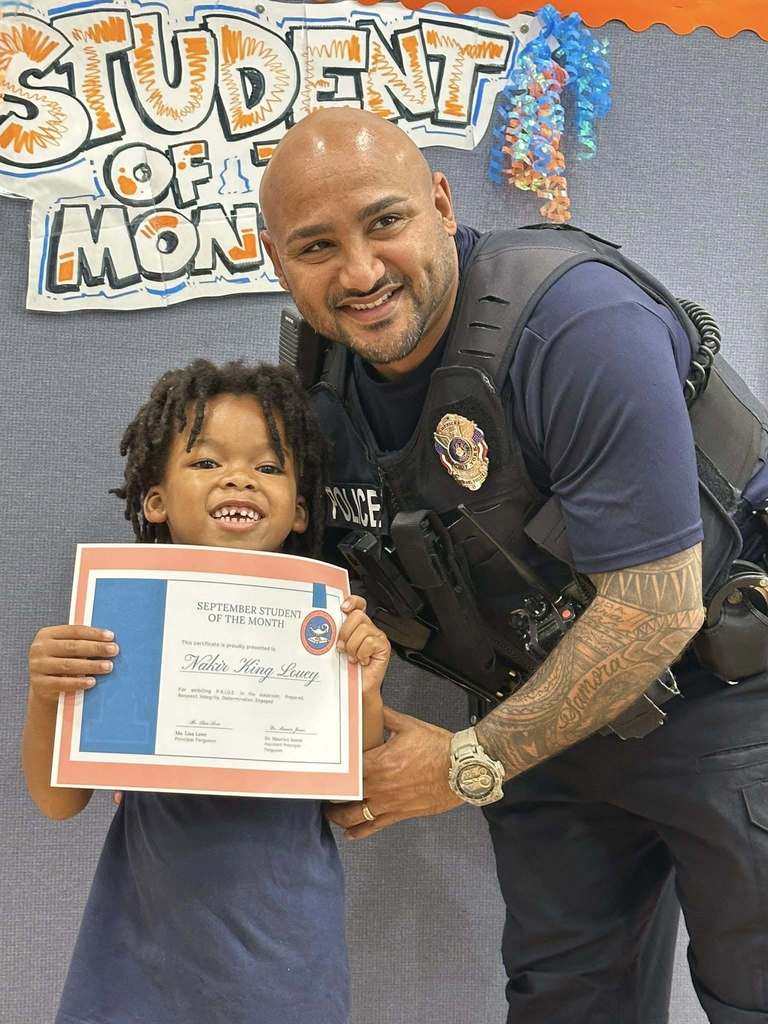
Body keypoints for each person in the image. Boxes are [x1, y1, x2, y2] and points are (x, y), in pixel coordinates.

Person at [258, 107, 768, 1023]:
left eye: (385, 222)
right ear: (274, 257)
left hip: (727, 699)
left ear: (442, 204)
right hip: (544, 719)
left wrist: (461, 766)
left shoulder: (576, 321)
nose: (361, 272)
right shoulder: (317, 377)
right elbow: (314, 587)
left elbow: (655, 611)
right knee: (565, 1004)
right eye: (316, 246)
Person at [22, 359, 390, 1024]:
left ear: (301, 508)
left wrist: (362, 689)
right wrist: (49, 693)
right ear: (155, 497)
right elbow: (57, 803)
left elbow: (351, 804)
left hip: (285, 963)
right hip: (140, 956)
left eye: (270, 467)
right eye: (206, 462)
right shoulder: (119, 625)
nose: (239, 477)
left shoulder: (330, 626)